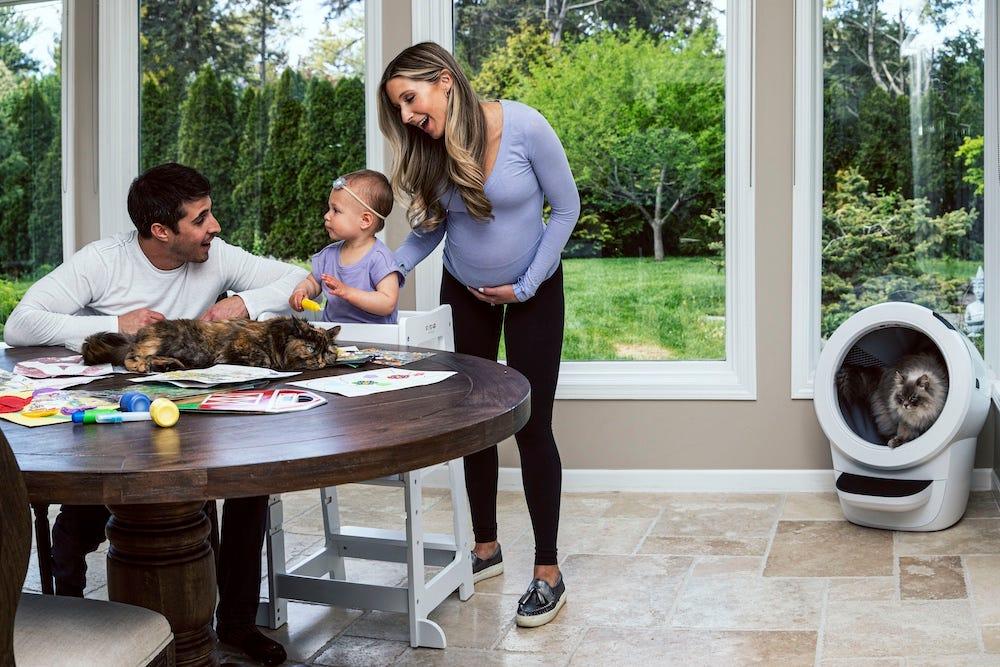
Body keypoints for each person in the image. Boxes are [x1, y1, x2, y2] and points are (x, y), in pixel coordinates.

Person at [4, 162, 303, 666]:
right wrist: (113, 324)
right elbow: (20, 324)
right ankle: (72, 602)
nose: (216, 227)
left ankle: (234, 624)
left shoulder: (216, 257)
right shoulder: (102, 261)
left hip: (197, 411)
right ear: (162, 231)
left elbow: (296, 277)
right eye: (202, 218)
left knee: (249, 484)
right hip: (116, 417)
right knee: (103, 503)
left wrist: (244, 304)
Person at [379, 42, 580, 628]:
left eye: (411, 99)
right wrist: (386, 269)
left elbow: (564, 210)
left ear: (444, 81)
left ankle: (548, 570)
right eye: (400, 109)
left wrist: (526, 284)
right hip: (462, 290)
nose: (410, 116)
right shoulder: (431, 149)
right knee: (473, 423)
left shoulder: (524, 126)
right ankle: (485, 548)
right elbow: (429, 232)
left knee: (532, 424)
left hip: (533, 293)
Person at [289, 169, 401, 323]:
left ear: (365, 220)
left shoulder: (380, 258)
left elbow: (387, 303)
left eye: (336, 210)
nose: (327, 216)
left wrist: (348, 292)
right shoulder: (328, 255)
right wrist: (301, 291)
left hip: (376, 341)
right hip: (334, 336)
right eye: (329, 208)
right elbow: (312, 282)